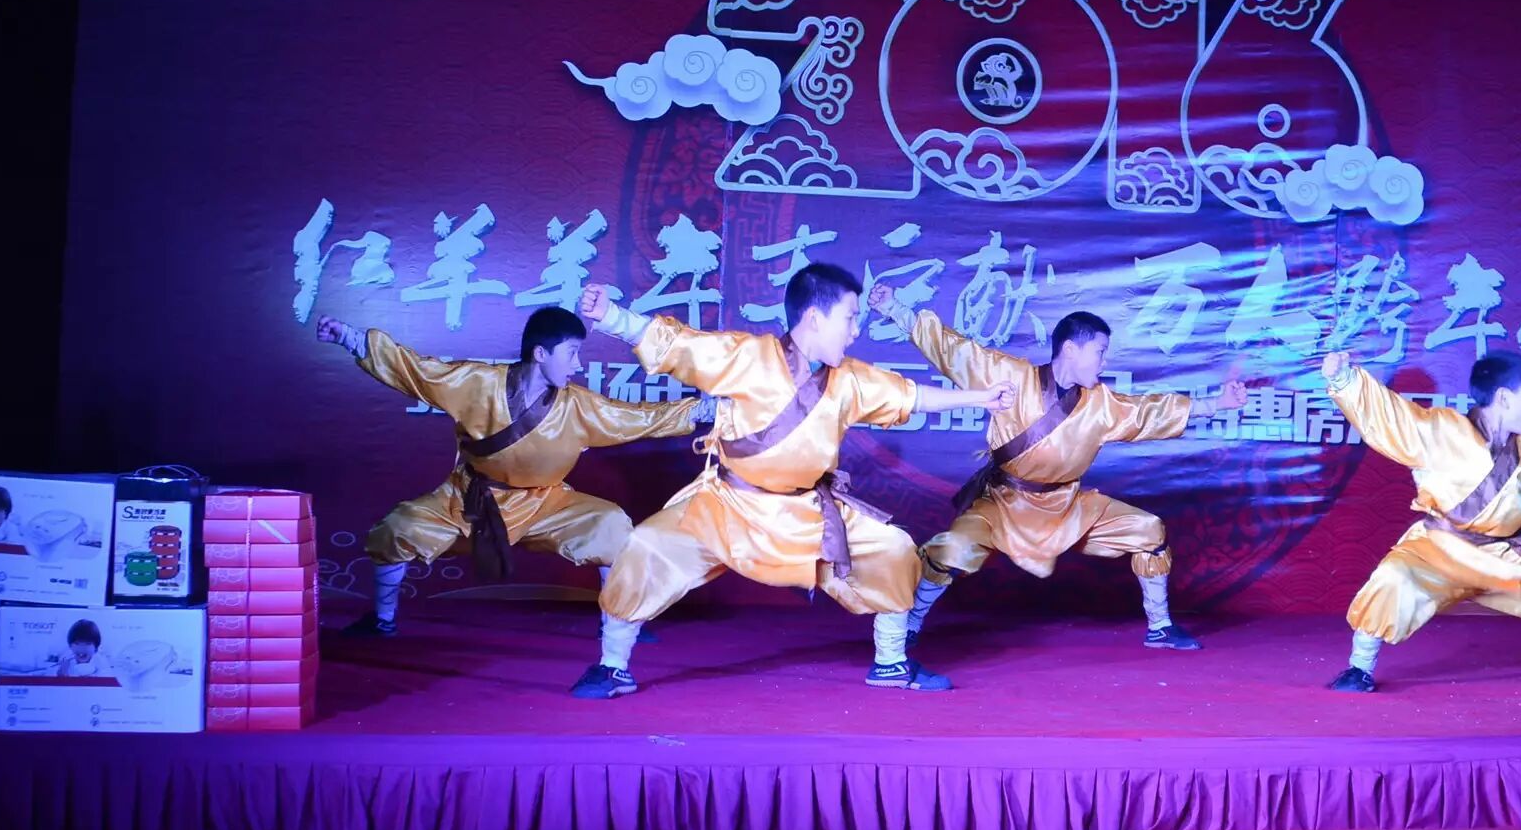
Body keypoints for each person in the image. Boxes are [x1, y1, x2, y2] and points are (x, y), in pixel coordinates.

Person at [572, 264, 1012, 699]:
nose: (855, 330)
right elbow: (680, 346)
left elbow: (910, 396)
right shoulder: (748, 357)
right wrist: (611, 316)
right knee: (645, 547)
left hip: (807, 514)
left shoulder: (849, 379)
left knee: (893, 549)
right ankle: (612, 665)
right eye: (850, 318)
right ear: (815, 317)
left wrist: (981, 398)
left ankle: (891, 661)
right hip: (727, 507)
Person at [864, 285, 1246, 652]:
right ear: (1070, 349)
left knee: (1148, 529)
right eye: (1100, 352)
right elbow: (952, 349)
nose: (1104, 362)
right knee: (952, 548)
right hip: (1004, 505)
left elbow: (1149, 412)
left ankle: (1160, 626)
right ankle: (910, 625)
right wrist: (895, 309)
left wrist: (1216, 404)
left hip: (1068, 508)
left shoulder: (1102, 405)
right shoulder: (1010, 376)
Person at [317, 305, 705, 637]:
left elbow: (636, 418)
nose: (578, 365)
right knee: (397, 529)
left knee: (611, 526)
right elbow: (418, 371)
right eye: (571, 353)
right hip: (469, 502)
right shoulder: (477, 384)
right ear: (540, 353)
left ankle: (618, 625)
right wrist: (352, 339)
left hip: (546, 505)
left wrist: (703, 410)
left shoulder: (578, 405)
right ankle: (382, 621)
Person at [1319, 307, 1521, 693]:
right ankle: (1359, 667)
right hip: (1438, 551)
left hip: (1500, 557)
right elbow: (1390, 417)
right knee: (1393, 577)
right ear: (1504, 398)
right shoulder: (1442, 430)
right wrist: (1345, 380)